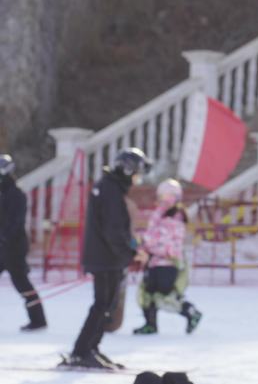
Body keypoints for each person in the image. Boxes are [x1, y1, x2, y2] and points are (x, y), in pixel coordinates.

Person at [60, 148, 151, 370]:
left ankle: (91, 348)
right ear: (127, 170)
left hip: (106, 256)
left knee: (106, 306)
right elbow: (113, 230)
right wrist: (131, 253)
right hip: (105, 257)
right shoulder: (110, 189)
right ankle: (81, 351)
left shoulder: (110, 187)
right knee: (101, 305)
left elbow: (114, 227)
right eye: (136, 173)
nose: (137, 178)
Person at [133, 178, 202, 335]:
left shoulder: (175, 217)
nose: (163, 199)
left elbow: (162, 239)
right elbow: (152, 234)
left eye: (166, 196)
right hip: (153, 262)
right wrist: (143, 248)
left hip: (167, 264)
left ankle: (191, 312)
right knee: (147, 293)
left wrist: (145, 243)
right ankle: (150, 324)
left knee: (165, 295)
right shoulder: (159, 213)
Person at [0, 154, 47, 332]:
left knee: (22, 283)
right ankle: (38, 319)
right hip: (3, 245)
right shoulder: (3, 192)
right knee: (22, 282)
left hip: (13, 247)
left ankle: (38, 319)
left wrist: (3, 237)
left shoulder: (16, 193)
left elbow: (14, 221)